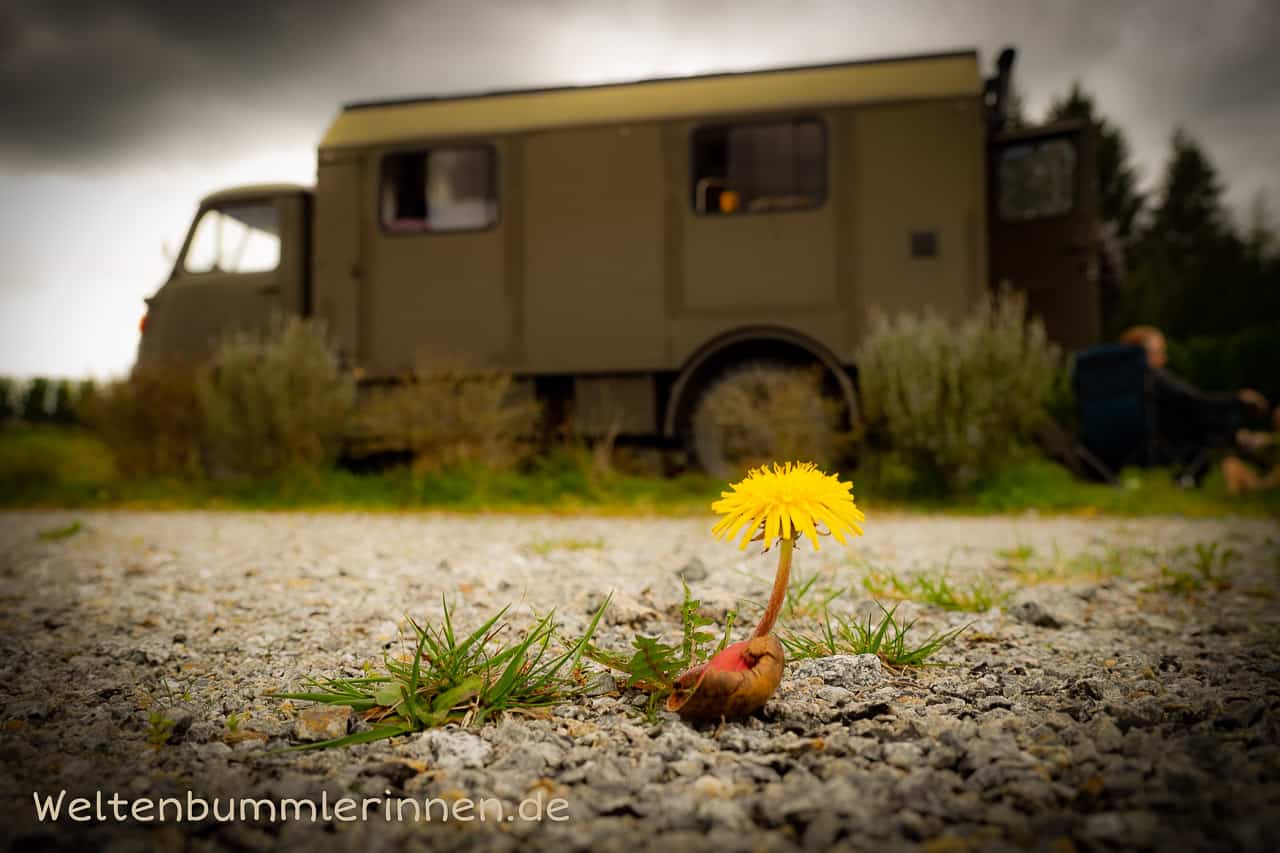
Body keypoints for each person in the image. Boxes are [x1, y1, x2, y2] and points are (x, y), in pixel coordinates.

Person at [1118, 325, 1270, 484]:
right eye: (1159, 351)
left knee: (1212, 422)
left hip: (1167, 434)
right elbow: (1196, 399)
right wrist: (1238, 398)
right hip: (1175, 435)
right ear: (1141, 354)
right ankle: (1244, 446)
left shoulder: (1129, 379)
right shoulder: (1153, 377)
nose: (1165, 358)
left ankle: (1243, 448)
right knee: (1213, 421)